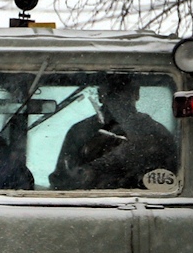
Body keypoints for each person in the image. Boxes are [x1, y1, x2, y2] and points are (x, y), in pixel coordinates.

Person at [49, 77, 177, 190]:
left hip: (144, 206)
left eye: (123, 91)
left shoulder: (156, 134)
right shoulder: (80, 132)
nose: (118, 99)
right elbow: (62, 184)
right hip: (88, 207)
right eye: (112, 93)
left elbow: (172, 182)